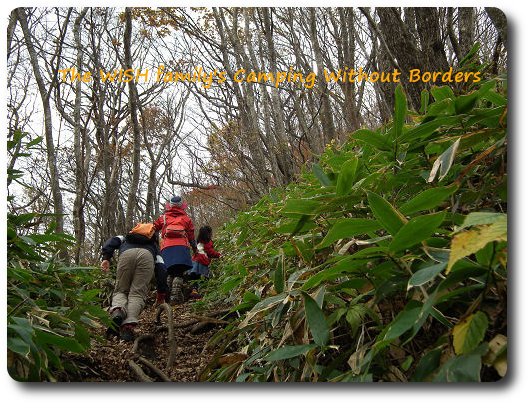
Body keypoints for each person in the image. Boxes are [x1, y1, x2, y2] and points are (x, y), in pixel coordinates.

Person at [101, 223, 169, 342]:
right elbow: (161, 268)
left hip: (126, 255)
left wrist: (106, 258)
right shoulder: (153, 245)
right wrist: (161, 293)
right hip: (146, 257)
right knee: (137, 293)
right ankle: (128, 326)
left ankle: (118, 310)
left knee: (121, 290)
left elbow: (112, 241)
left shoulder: (126, 238)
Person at [153, 196, 197, 302]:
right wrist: (194, 248)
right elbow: (191, 235)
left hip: (166, 248)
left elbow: (153, 228)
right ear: (181, 206)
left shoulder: (163, 218)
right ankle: (176, 297)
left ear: (170, 206)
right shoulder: (186, 219)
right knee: (179, 273)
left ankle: (166, 296)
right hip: (182, 247)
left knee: (169, 272)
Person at [187, 225, 221, 299]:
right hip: (201, 261)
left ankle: (194, 291)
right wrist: (219, 255)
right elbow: (210, 252)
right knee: (202, 278)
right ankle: (203, 293)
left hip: (194, 261)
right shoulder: (207, 242)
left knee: (195, 278)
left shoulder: (198, 242)